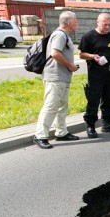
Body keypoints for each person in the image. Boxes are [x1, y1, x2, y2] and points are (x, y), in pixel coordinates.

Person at [32, 11, 80, 149]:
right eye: (75, 21)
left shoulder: (63, 35)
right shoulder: (59, 35)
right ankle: (40, 135)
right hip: (55, 76)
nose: (77, 23)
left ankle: (61, 132)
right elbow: (55, 53)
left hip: (62, 76)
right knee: (51, 106)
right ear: (69, 22)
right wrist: (70, 65)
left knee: (62, 106)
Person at [79, 13, 110, 138]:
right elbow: (81, 54)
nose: (107, 27)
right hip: (96, 73)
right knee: (93, 99)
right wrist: (92, 56)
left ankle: (107, 124)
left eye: (109, 25)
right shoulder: (88, 36)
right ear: (97, 22)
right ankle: (90, 126)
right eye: (104, 24)